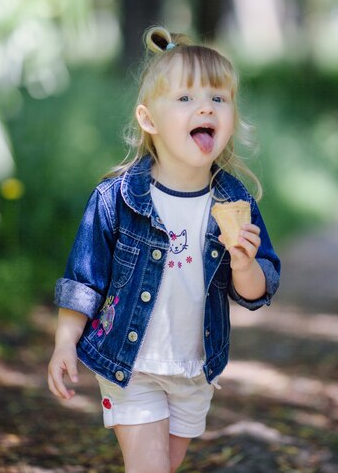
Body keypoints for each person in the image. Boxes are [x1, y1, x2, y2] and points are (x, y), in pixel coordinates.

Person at [48, 26, 281, 473]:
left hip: (194, 368)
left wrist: (244, 263)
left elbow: (255, 292)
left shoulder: (234, 203)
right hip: (128, 363)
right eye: (186, 99)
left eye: (218, 98)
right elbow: (84, 279)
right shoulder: (117, 198)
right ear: (149, 119)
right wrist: (64, 342)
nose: (205, 108)